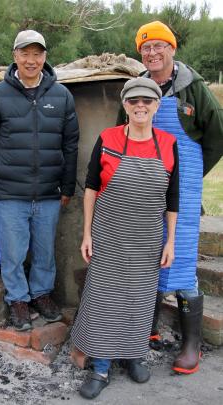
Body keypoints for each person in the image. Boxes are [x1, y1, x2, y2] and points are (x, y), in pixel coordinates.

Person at [118, 20, 223, 375]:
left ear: (172, 49)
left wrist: (193, 173)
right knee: (144, 249)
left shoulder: (192, 87)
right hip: (144, 180)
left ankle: (191, 345)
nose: (152, 52)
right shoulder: (137, 87)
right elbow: (122, 132)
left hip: (185, 179)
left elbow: (217, 134)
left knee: (178, 255)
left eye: (159, 46)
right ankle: (143, 328)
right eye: (146, 48)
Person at [72, 77, 179, 400]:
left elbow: (172, 198)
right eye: (134, 101)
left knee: (140, 298)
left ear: (157, 106)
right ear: (125, 105)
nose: (140, 106)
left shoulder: (169, 143)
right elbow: (90, 188)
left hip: (147, 239)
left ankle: (133, 355)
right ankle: (101, 366)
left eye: (147, 101)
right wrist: (87, 233)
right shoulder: (108, 139)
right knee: (104, 300)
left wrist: (170, 241)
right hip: (108, 235)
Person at [0, 30, 79, 331]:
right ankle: (18, 299)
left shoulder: (61, 96)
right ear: (15, 55)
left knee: (45, 251)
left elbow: (70, 145)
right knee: (13, 252)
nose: (31, 60)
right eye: (25, 53)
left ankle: (42, 294)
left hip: (48, 192)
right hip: (9, 192)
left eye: (37, 53)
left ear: (45, 57)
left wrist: (67, 186)